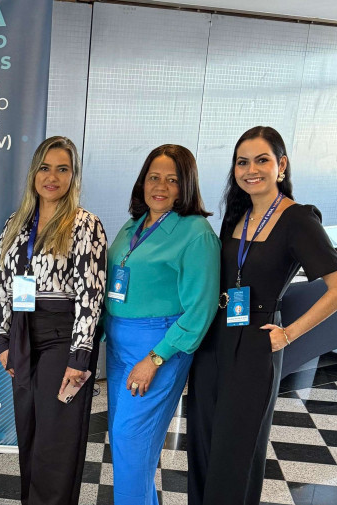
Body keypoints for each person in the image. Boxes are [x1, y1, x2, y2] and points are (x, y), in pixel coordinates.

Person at [187, 126, 337, 505]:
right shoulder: (238, 214)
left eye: (261, 160)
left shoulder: (298, 219)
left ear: (281, 165)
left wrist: (289, 333)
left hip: (255, 343)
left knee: (235, 452)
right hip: (214, 338)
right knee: (203, 444)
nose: (251, 170)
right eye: (242, 162)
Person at [0, 136, 107, 505]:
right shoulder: (16, 223)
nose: (52, 177)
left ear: (74, 176)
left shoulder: (85, 225)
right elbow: (1, 284)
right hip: (22, 336)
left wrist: (80, 357)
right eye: (45, 167)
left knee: (56, 443)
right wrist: (3, 341)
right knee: (30, 435)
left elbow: (91, 295)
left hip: (64, 338)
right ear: (33, 173)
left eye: (62, 169)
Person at [103, 145, 219, 504]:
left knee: (131, 442)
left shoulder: (196, 232)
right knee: (126, 447)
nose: (161, 186)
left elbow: (200, 309)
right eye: (154, 177)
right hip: (118, 347)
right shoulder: (135, 224)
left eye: (172, 180)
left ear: (186, 186)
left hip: (156, 350)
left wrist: (156, 358)